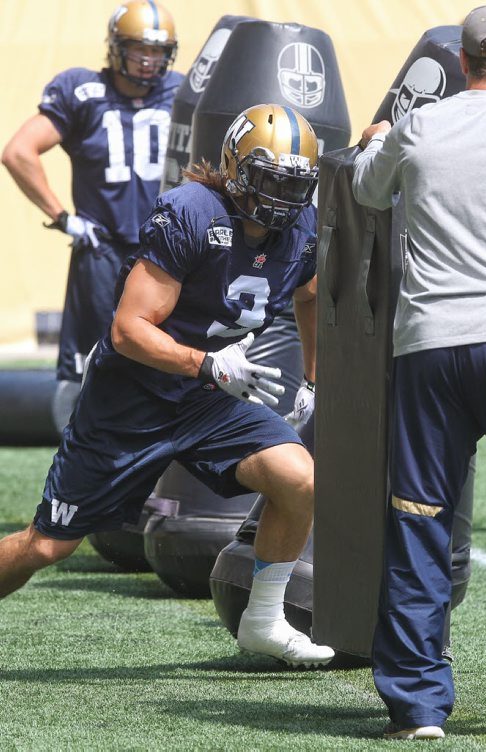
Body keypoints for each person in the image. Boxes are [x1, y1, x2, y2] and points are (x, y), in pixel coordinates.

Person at [0, 103, 333, 669]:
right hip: (133, 400)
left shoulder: (300, 227)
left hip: (210, 402)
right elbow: (128, 331)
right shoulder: (192, 212)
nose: (280, 197)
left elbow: (308, 292)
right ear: (234, 167)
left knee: (298, 478)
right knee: (48, 544)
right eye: (270, 179)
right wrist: (207, 365)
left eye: (293, 184)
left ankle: (263, 619)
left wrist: (313, 376)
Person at [352, 4, 486, 740]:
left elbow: (365, 191)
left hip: (430, 344)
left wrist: (382, 139)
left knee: (418, 520)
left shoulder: (421, 124)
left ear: (462, 60)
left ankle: (417, 707)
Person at [1, 0, 183, 384]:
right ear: (116, 46)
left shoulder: (182, 93)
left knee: (166, 361)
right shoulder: (82, 90)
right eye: (140, 48)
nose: (149, 60)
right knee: (90, 366)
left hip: (166, 249)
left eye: (157, 50)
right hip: (102, 247)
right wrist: (64, 219)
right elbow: (18, 152)